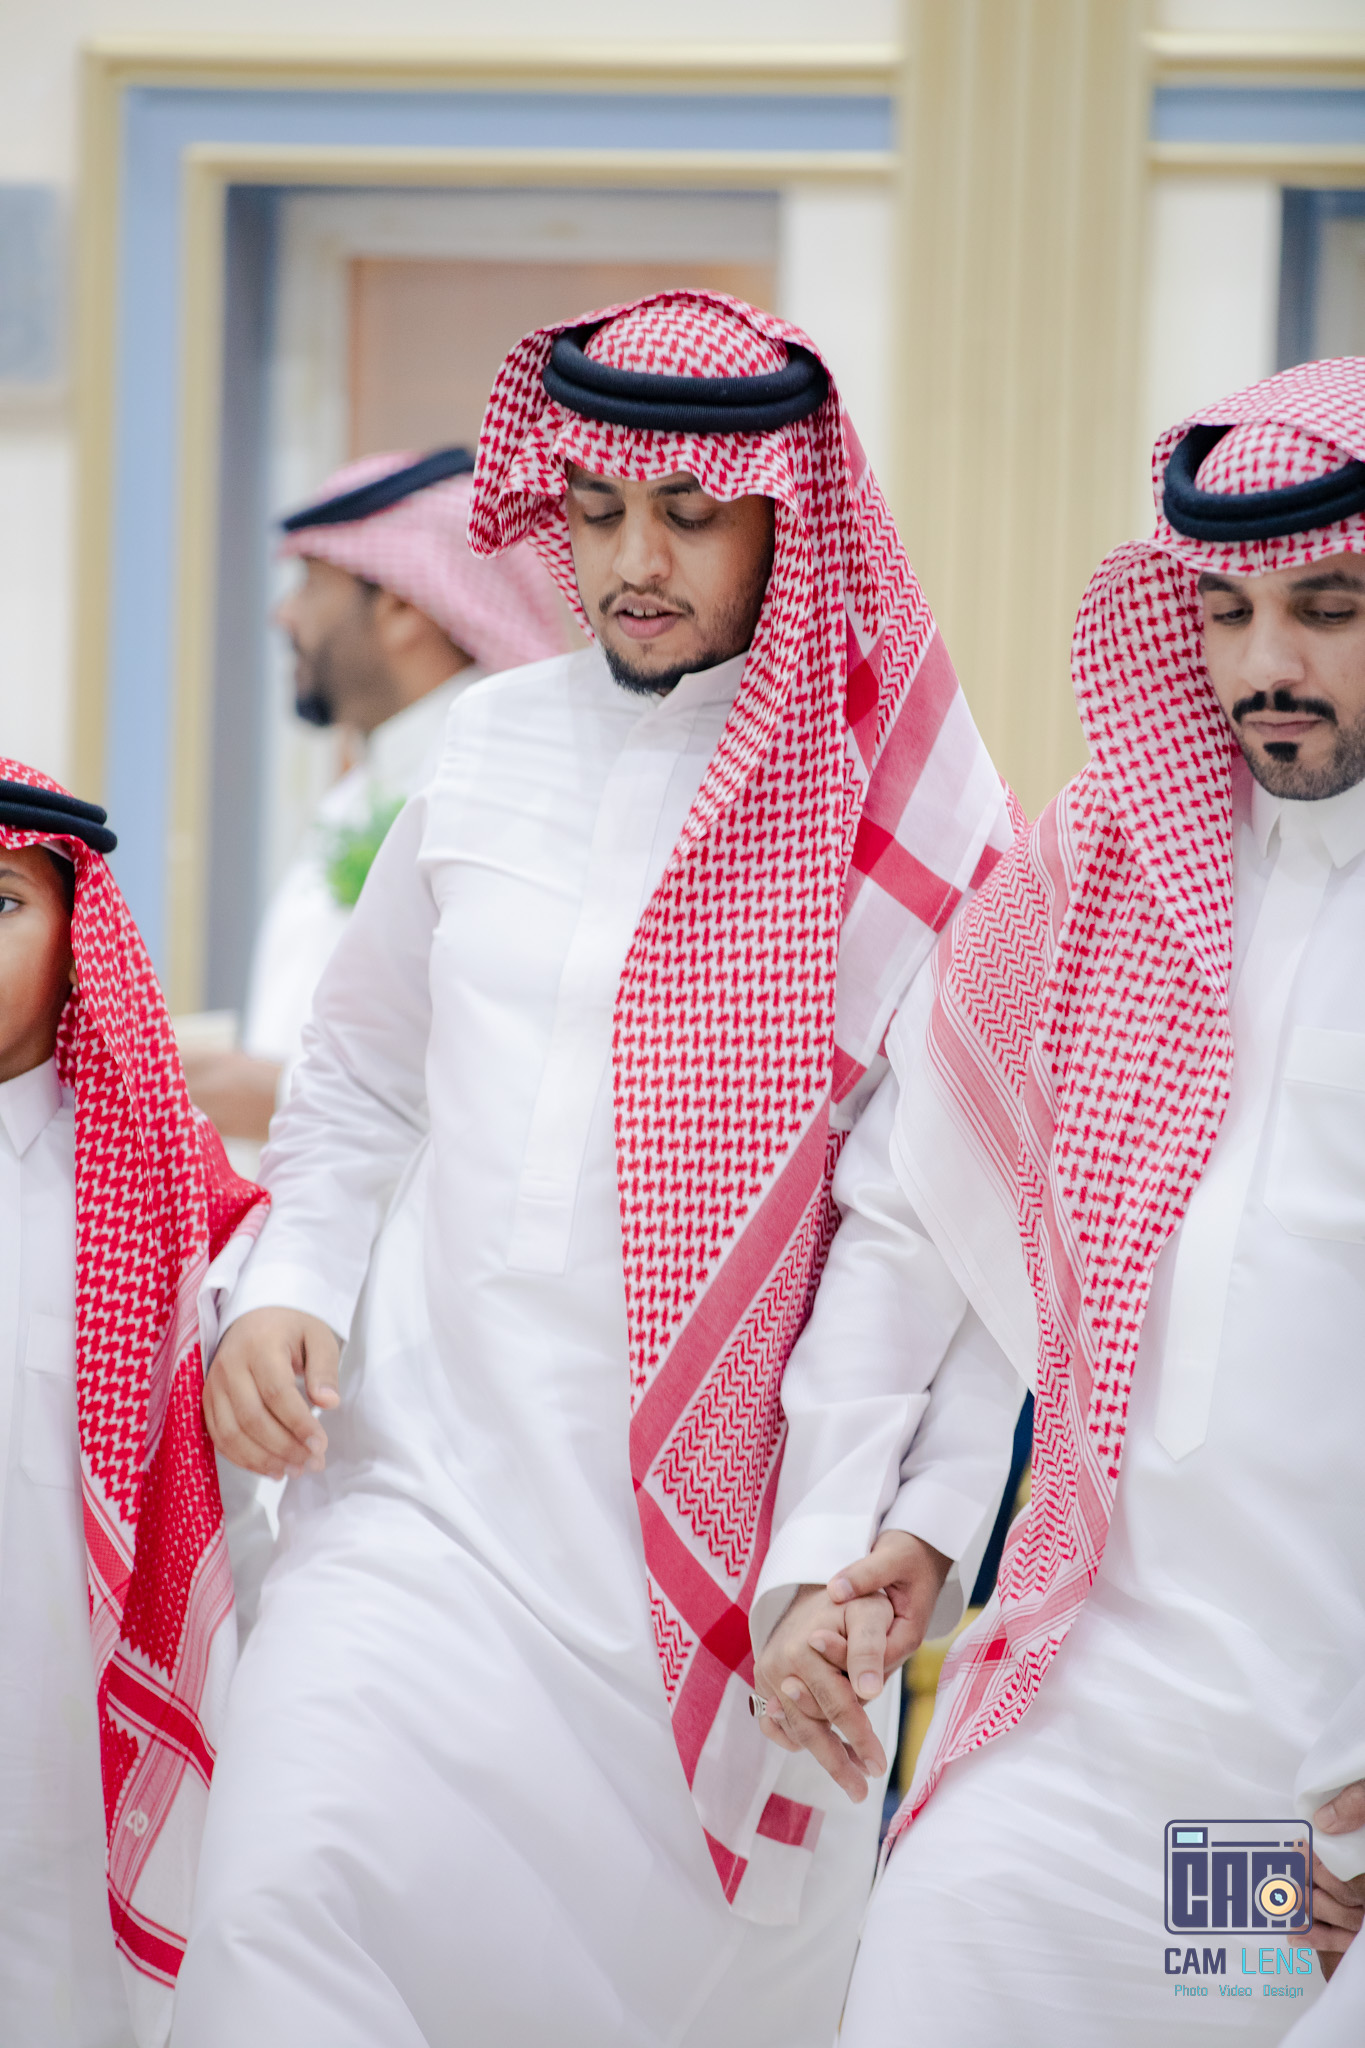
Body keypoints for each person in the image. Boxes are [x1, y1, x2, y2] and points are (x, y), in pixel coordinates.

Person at [168, 291, 1019, 2048]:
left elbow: (915, 1240)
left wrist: (830, 1551)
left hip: (708, 1593)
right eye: (596, 509)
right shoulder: (485, 749)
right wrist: (293, 1283)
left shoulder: (906, 819)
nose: (633, 562)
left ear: (788, 516)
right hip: (412, 1513)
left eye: (689, 515)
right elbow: (358, 1074)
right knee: (278, 1901)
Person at [821, 361, 1365, 2045]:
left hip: (1330, 1776)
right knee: (943, 1964)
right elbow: (986, 1244)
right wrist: (915, 1521)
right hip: (1114, 1731)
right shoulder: (1111, 873)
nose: (1264, 666)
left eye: (1329, 608)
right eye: (1225, 609)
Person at [0, 763, 266, 2048]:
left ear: (77, 936)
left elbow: (242, 1501)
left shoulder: (168, 1199)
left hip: (74, 1736)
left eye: (0, 901)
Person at [182, 446, 566, 1141]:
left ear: (400, 605)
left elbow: (512, 1081)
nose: (284, 615)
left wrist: (268, 1094)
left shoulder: (516, 792)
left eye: (310, 583)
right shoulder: (363, 790)